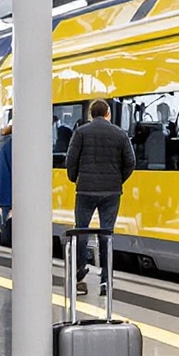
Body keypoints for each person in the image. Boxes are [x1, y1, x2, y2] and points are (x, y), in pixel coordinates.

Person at [64, 98, 135, 292]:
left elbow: (71, 160)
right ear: (107, 114)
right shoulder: (120, 134)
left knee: (81, 231)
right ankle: (105, 281)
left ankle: (80, 275)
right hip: (111, 192)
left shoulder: (81, 132)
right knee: (106, 234)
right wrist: (118, 179)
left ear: (91, 114)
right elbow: (130, 162)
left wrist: (75, 178)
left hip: (85, 189)